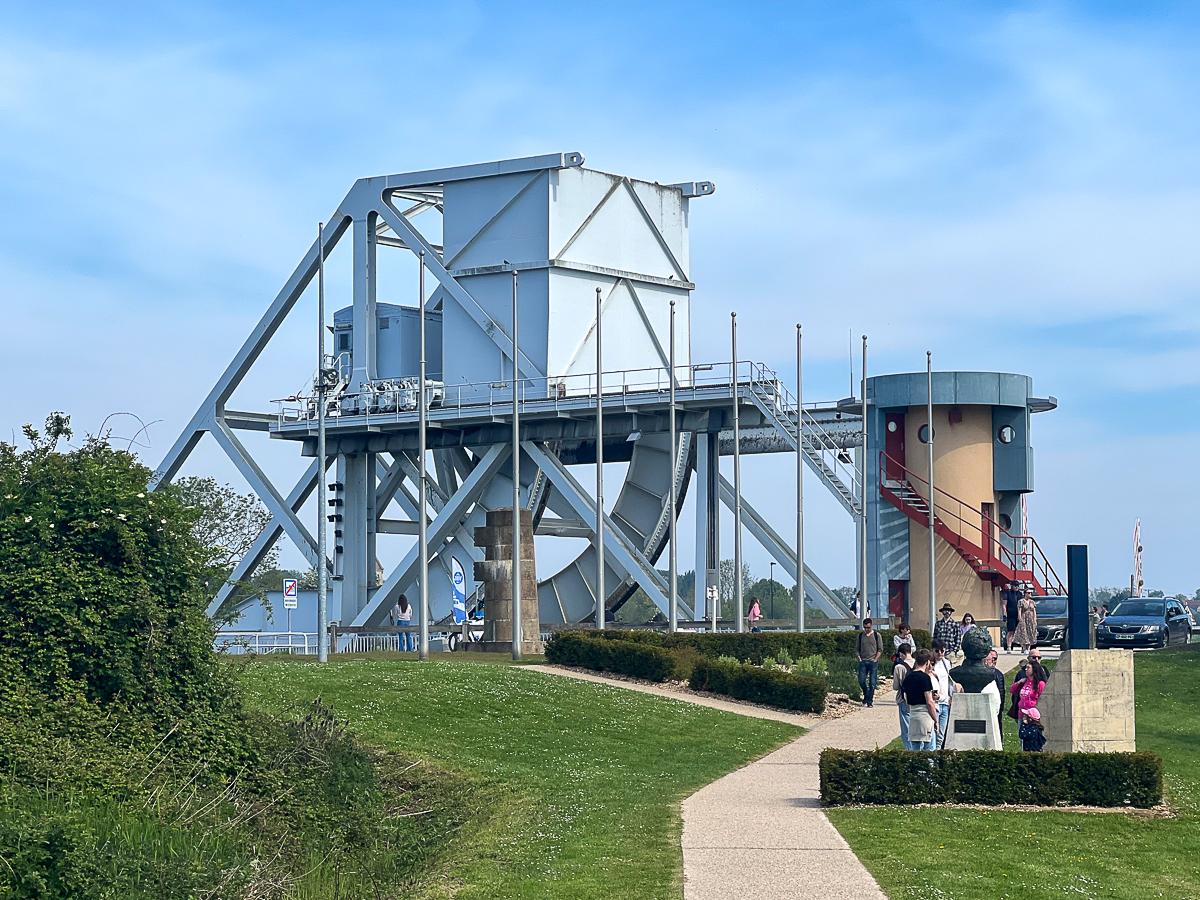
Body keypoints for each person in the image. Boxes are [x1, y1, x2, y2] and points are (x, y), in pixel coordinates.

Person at [902, 649, 940, 751]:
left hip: (913, 714)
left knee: (915, 749)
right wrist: (935, 720)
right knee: (929, 749)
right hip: (925, 715)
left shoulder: (908, 677)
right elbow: (929, 702)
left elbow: (905, 698)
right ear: (927, 662)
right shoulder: (925, 678)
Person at [930, 639, 961, 747]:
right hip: (935, 703)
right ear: (932, 651)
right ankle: (931, 760)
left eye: (942, 651)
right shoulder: (929, 664)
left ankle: (936, 758)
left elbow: (950, 681)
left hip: (945, 702)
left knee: (941, 735)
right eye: (937, 651)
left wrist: (952, 695)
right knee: (933, 733)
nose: (940, 654)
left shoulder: (946, 663)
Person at [856, 617, 884, 708]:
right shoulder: (860, 636)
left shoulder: (877, 635)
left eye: (868, 627)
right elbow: (857, 649)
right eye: (865, 627)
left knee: (872, 683)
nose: (866, 629)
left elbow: (880, 649)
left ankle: (869, 701)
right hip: (863, 661)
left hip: (873, 661)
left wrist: (876, 659)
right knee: (861, 681)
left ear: (871, 626)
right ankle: (866, 694)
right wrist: (859, 659)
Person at [893, 642, 915, 749]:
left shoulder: (899, 667)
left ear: (901, 654)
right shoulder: (918, 664)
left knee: (906, 728)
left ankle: (909, 750)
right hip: (918, 699)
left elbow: (896, 686)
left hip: (904, 698)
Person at [984, 648, 1007, 736]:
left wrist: (1000, 708)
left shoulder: (998, 674)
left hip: (995, 706)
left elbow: (1001, 692)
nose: (993, 661)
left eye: (995, 658)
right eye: (991, 658)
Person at [1002, 581, 1021, 651]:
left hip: (1018, 615)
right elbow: (1004, 604)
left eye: (1018, 585)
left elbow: (1021, 605)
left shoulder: (1020, 594)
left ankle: (1023, 647)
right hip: (1010, 615)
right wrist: (1004, 614)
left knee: (1020, 631)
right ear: (1012, 586)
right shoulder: (1007, 593)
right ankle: (1009, 646)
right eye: (1015, 585)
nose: (1016, 587)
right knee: (1011, 631)